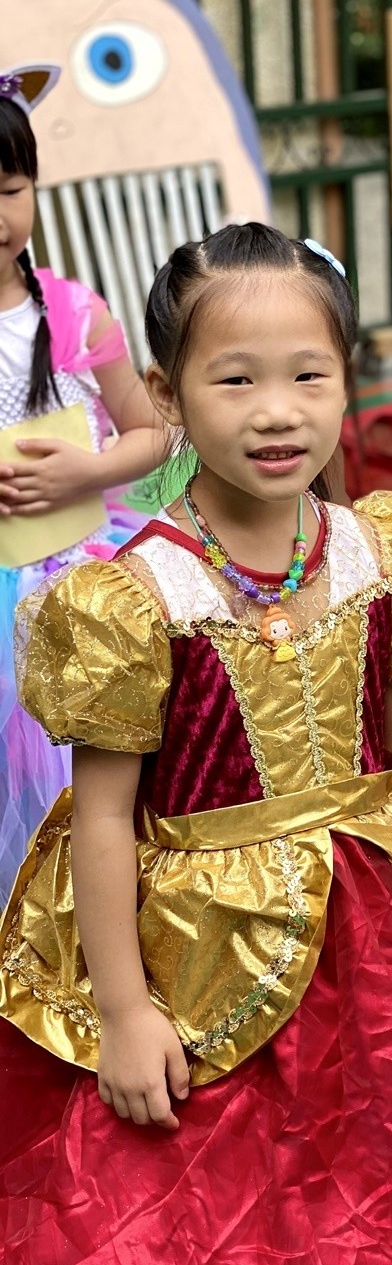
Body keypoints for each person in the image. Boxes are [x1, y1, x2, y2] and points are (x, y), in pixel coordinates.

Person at [0, 223, 392, 1265]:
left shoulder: (379, 547)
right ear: (168, 396)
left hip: (370, 928)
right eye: (235, 379)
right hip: (196, 948)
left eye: (308, 375)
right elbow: (101, 817)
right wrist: (125, 1012)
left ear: (346, 381)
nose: (277, 411)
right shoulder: (132, 597)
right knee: (213, 1217)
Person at [0, 64, 163, 909]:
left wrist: (86, 469)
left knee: (87, 776)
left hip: (76, 585)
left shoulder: (72, 313)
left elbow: (151, 430)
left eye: (9, 190)